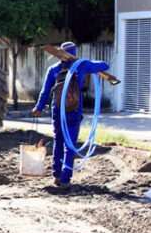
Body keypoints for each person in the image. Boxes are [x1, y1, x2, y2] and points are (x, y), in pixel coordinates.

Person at [31, 42, 109, 187]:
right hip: (73, 111)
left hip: (57, 111)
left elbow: (45, 91)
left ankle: (57, 175)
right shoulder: (81, 66)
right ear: (74, 53)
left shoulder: (53, 69)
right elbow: (105, 65)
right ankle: (66, 179)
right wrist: (86, 61)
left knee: (59, 141)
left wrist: (38, 107)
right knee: (70, 145)